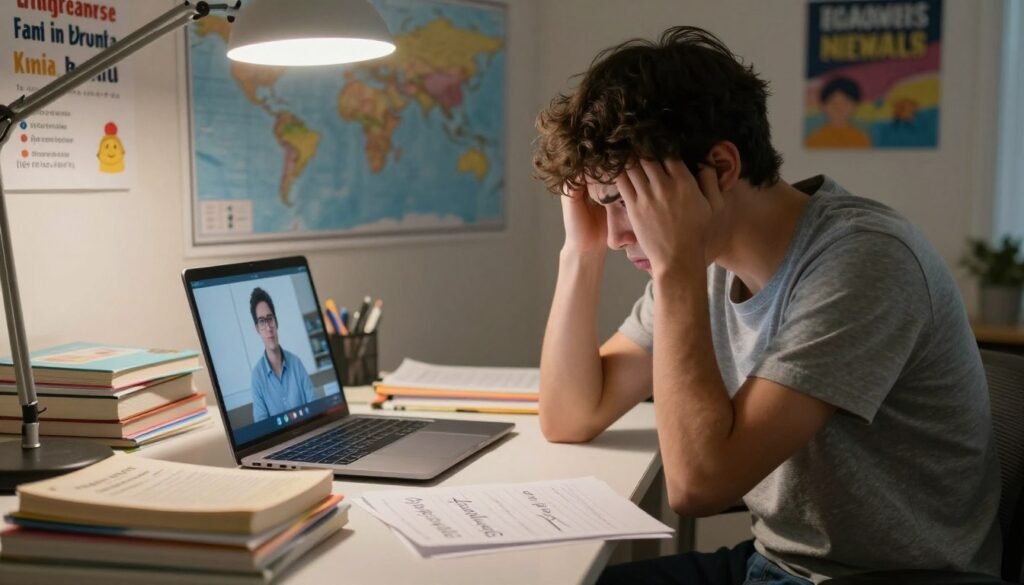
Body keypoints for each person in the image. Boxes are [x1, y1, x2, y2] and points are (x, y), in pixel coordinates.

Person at [533, 26, 1000, 585]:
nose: (614, 235)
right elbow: (569, 416)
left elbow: (698, 486)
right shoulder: (703, 264)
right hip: (779, 565)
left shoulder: (866, 259)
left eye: (626, 202)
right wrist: (577, 251)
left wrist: (676, 268)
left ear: (722, 169)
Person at [249, 287, 316, 423]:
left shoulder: (296, 363)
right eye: (262, 322)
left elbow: (314, 406)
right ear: (257, 329)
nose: (268, 328)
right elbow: (262, 427)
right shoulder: (257, 377)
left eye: (270, 319)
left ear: (276, 321)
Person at [805, 76, 871, 148]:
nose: (839, 108)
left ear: (855, 106)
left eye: (845, 103)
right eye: (834, 103)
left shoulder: (861, 138)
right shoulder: (814, 139)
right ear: (823, 107)